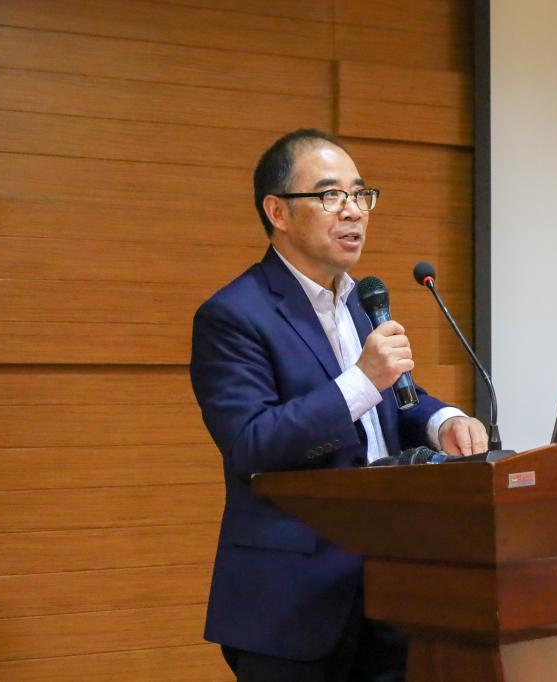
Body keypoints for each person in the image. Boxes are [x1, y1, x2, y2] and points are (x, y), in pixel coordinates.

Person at [189, 128, 489, 681]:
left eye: (360, 194)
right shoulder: (233, 315)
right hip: (291, 603)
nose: (353, 211)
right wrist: (362, 379)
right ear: (277, 211)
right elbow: (252, 443)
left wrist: (441, 420)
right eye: (331, 195)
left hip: (390, 588)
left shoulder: (357, 300)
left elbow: (390, 399)